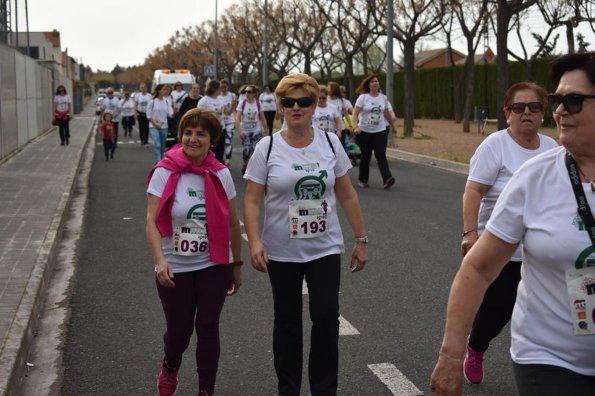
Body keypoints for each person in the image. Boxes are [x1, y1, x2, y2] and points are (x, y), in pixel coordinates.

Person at [430, 51, 595, 396]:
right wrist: (450, 356)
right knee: (497, 307)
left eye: (574, 100)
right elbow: (475, 268)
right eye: (557, 100)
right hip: (550, 358)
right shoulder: (533, 175)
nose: (559, 110)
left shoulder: (545, 144)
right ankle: (477, 346)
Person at [243, 73, 368, 396]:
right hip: (281, 250)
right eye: (288, 102)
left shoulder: (330, 142)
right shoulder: (267, 148)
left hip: (324, 247)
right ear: (280, 106)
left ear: (315, 106)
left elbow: (347, 193)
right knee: (286, 322)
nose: (296, 107)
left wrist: (360, 239)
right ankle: (289, 388)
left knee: (326, 316)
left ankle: (324, 389)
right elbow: (253, 199)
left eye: (304, 102)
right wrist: (255, 242)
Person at [460, 82, 558, 385]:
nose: (526, 112)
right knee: (497, 310)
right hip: (504, 249)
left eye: (534, 107)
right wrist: (470, 234)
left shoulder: (553, 149)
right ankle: (476, 346)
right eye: (519, 107)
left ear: (543, 114)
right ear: (507, 112)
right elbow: (474, 190)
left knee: (546, 315)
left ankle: (546, 368)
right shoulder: (495, 145)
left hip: (541, 251)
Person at [146, 107, 242, 396]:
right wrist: (160, 261)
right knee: (179, 332)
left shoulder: (221, 174)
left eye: (201, 134)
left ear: (212, 140)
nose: (193, 139)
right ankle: (170, 365)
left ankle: (206, 390)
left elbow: (232, 224)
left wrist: (236, 264)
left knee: (208, 325)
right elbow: (151, 221)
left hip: (214, 263)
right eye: (188, 132)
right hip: (174, 265)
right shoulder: (165, 172)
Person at [352, 74, 398, 190]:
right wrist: (355, 126)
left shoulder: (383, 98)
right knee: (366, 155)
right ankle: (363, 180)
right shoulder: (363, 97)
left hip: (380, 130)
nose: (374, 83)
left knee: (381, 155)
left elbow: (387, 113)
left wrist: (393, 126)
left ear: (378, 84)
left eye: (376, 81)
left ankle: (387, 179)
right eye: (372, 82)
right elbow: (355, 113)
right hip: (365, 131)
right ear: (368, 85)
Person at [235, 84, 268, 174]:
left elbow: (262, 118)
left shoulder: (258, 103)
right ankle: (245, 163)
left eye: (249, 92)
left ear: (254, 93)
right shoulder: (242, 103)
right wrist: (240, 131)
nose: (246, 93)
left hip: (256, 131)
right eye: (245, 91)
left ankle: (253, 169)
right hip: (245, 131)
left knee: (255, 150)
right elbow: (237, 118)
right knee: (246, 150)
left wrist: (265, 130)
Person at [197, 79, 232, 163]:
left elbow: (227, 112)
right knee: (211, 151)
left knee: (220, 152)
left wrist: (233, 106)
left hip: (221, 129)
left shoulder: (221, 99)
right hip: (209, 130)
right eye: (219, 88)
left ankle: (218, 170)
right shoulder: (204, 100)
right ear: (214, 89)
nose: (221, 90)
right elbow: (199, 116)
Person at [147, 84, 173, 163]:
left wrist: (174, 111)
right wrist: (155, 124)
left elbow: (170, 113)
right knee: (157, 144)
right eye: (164, 89)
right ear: (159, 91)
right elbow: (148, 115)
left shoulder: (167, 101)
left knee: (162, 146)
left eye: (167, 89)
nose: (166, 91)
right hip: (153, 126)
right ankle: (158, 163)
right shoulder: (152, 101)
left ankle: (161, 162)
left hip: (164, 126)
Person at [219, 79, 238, 166]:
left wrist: (234, 105)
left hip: (230, 121)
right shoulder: (218, 96)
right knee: (220, 141)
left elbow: (234, 109)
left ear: (227, 87)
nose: (223, 89)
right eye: (221, 87)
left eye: (224, 87)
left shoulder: (232, 95)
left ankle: (227, 160)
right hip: (220, 122)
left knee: (228, 140)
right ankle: (221, 158)